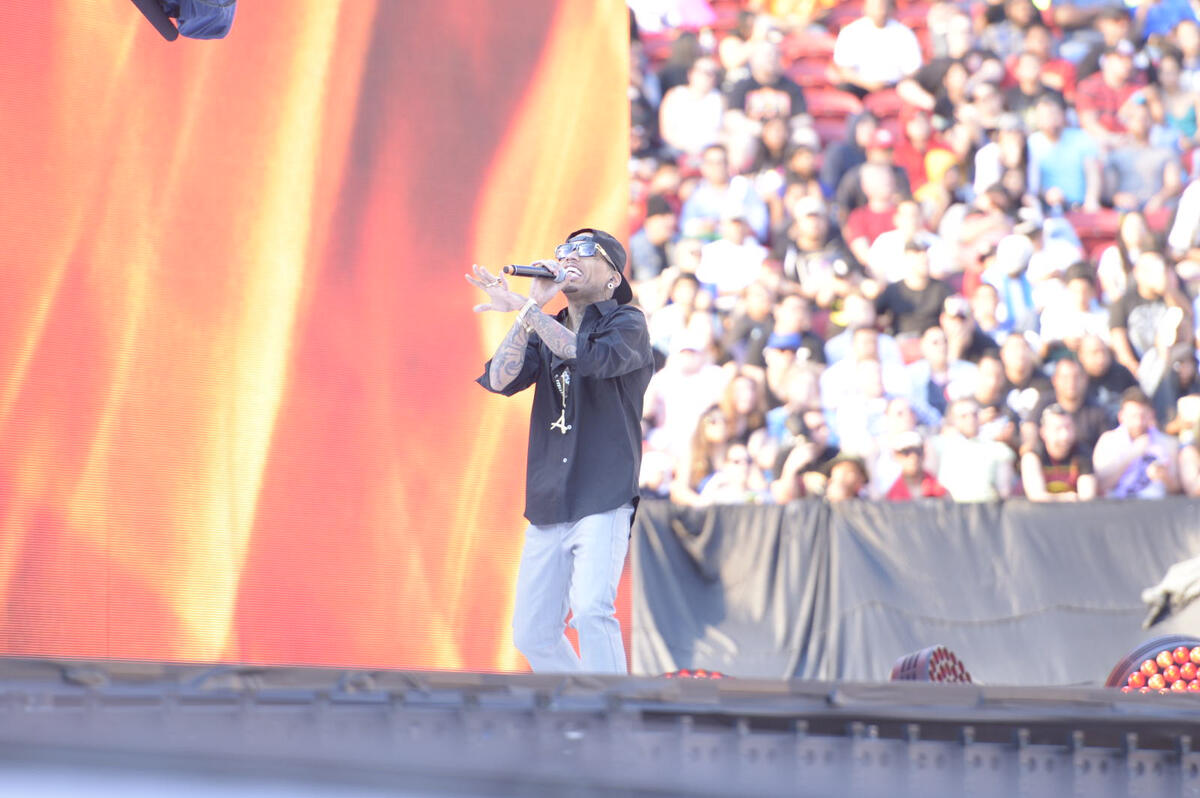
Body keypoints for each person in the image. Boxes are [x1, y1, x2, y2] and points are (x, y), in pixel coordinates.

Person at [468, 229, 653, 674]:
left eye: (586, 251)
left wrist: (529, 308)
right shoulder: (543, 324)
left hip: (601, 492)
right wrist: (523, 315)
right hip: (550, 497)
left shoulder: (626, 323)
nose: (570, 256)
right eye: (564, 250)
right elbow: (500, 379)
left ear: (612, 277)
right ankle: (581, 717)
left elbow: (584, 355)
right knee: (532, 633)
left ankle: (614, 718)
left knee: (591, 609)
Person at [1093, 387, 1182, 497]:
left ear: (1151, 415)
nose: (1138, 422)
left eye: (1143, 416)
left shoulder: (1168, 443)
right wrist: (1133, 454)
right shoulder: (1108, 441)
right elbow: (1101, 485)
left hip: (1156, 507)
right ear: (1121, 416)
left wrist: (1165, 477)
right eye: (1133, 416)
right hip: (1116, 507)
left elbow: (1177, 490)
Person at [1020, 404, 1099, 501]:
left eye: (1068, 428)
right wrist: (1066, 498)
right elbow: (1036, 496)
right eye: (1058, 429)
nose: (1065, 436)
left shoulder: (1083, 454)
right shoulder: (1032, 456)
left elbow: (1087, 497)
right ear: (1043, 432)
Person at [883, 430, 949, 500]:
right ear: (897, 456)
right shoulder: (892, 496)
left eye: (918, 451)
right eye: (906, 452)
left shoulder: (940, 492)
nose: (913, 457)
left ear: (924, 454)